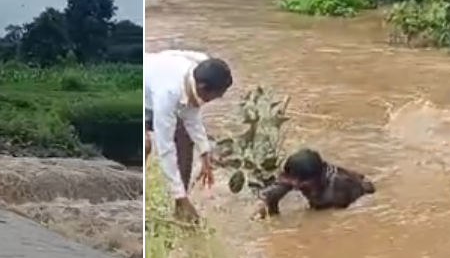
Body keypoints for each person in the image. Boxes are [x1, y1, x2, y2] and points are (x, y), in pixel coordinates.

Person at [144, 50, 234, 223]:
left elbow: (192, 116)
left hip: (157, 76)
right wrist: (181, 197)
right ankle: (144, 198)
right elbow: (165, 149)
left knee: (185, 137)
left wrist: (205, 153)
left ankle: (180, 201)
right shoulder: (168, 94)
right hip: (144, 98)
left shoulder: (203, 67)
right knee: (146, 144)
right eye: (215, 96)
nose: (218, 98)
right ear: (202, 88)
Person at [254, 148, 376, 218]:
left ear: (310, 180)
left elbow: (332, 218)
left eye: (294, 180)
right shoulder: (297, 177)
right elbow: (269, 197)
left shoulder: (336, 189)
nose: (290, 183)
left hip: (360, 194)